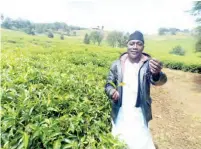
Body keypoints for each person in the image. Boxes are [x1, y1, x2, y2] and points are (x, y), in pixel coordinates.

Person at [105, 31, 167, 149]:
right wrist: (112, 91)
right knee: (119, 140)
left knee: (140, 141)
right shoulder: (117, 65)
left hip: (139, 111)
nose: (135, 47)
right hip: (121, 110)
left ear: (143, 47)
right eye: (132, 43)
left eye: (138, 44)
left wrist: (157, 74)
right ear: (127, 45)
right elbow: (108, 84)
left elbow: (161, 81)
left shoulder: (148, 65)